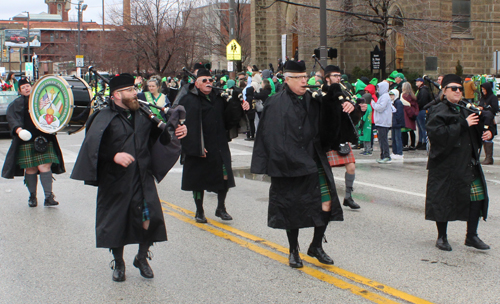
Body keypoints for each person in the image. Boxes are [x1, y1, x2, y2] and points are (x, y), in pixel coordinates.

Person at [71, 73, 187, 282]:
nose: (136, 93)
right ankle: (119, 262)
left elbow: (158, 138)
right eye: (131, 90)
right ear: (117, 95)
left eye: (135, 89)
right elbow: (92, 147)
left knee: (149, 220)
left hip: (142, 176)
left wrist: (178, 130)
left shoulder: (143, 114)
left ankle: (141, 258)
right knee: (117, 223)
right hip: (115, 179)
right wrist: (113, 155)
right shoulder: (103, 117)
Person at [251, 60, 355, 268]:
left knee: (326, 204)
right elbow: (267, 136)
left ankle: (316, 245)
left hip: (314, 158)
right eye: (299, 78)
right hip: (288, 163)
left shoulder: (316, 99)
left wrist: (341, 104)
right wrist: (269, 164)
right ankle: (293, 250)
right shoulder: (274, 103)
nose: (304, 81)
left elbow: (331, 127)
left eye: (306, 77)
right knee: (292, 208)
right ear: (287, 79)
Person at [425, 74, 494, 252]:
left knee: (477, 198)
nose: (458, 91)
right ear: (444, 90)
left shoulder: (465, 108)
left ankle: (471, 235)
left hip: (467, 162)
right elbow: (437, 135)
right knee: (443, 199)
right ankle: (442, 237)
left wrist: (489, 133)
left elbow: (481, 124)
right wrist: (463, 124)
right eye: (453, 88)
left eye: (460, 89)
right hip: (445, 164)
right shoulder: (437, 110)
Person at [178, 69, 249, 223]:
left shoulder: (219, 98)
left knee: (224, 178)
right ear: (196, 83)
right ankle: (199, 210)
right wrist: (195, 146)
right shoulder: (189, 100)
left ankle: (221, 208)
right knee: (198, 181)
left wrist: (237, 102)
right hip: (199, 145)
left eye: (210, 80)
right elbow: (184, 126)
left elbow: (229, 120)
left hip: (218, 144)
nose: (208, 83)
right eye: (204, 80)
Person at [2, 79, 64, 207]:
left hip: (44, 139)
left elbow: (54, 114)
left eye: (28, 86)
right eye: (23, 87)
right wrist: (19, 130)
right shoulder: (16, 104)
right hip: (26, 140)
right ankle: (32, 196)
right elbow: (12, 118)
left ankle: (48, 197)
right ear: (19, 90)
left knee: (44, 166)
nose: (26, 88)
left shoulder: (41, 100)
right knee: (31, 169)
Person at [478, 82, 499, 165]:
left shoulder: (493, 97)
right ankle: (487, 156)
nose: (483, 91)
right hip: (482, 119)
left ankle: (489, 157)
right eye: (482, 89)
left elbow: (495, 108)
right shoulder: (483, 98)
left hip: (490, 120)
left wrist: (484, 108)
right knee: (483, 136)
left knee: (488, 136)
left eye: (484, 89)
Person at [371, 81, 392, 163]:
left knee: (383, 140)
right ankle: (382, 155)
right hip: (381, 121)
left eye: (379, 88)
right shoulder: (383, 96)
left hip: (383, 122)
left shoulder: (385, 96)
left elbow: (381, 107)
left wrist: (373, 104)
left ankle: (386, 156)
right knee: (381, 139)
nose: (378, 89)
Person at [400, 82, 419, 151]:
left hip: (406, 115)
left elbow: (405, 106)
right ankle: (412, 145)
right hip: (412, 114)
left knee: (404, 131)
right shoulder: (413, 96)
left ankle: (405, 144)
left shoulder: (404, 96)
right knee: (411, 131)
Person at [415, 77, 433, 150]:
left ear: (421, 82)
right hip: (420, 110)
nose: (416, 82)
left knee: (423, 127)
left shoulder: (423, 91)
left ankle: (424, 142)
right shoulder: (420, 90)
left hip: (422, 110)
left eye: (418, 81)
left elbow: (422, 101)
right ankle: (420, 141)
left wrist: (417, 106)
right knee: (420, 127)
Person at [359, 85, 375, 155]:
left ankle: (368, 150)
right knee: (366, 137)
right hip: (368, 124)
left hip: (365, 124)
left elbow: (364, 116)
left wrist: (361, 123)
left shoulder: (367, 107)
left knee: (366, 138)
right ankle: (366, 149)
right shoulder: (369, 106)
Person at [389, 89, 404, 159]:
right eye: (390, 95)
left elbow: (399, 114)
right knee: (394, 138)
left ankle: (399, 152)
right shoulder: (392, 102)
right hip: (393, 123)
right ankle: (394, 152)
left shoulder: (398, 102)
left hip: (397, 123)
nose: (391, 96)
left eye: (392, 95)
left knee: (398, 138)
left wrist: (397, 121)